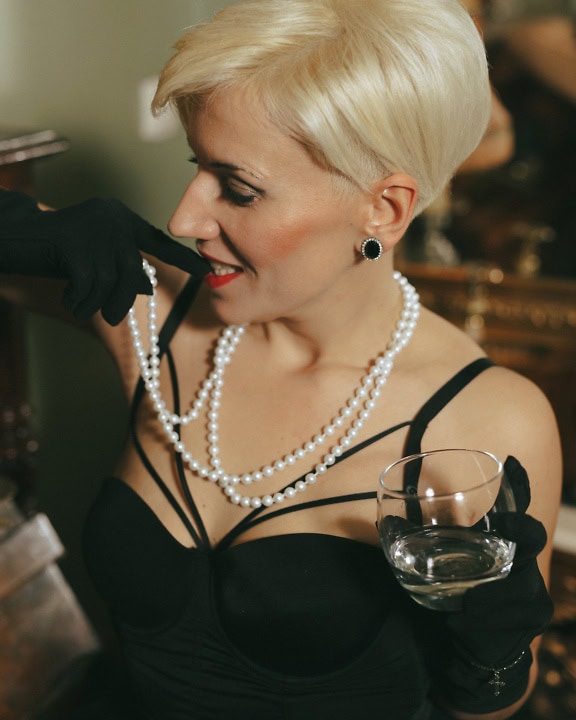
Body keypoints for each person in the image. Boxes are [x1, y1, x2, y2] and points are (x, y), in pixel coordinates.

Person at [0, 1, 562, 718]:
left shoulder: (486, 419)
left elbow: (487, 708)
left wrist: (496, 652)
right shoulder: (148, 311)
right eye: (196, 166)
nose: (184, 218)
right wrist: (23, 233)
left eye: (238, 188)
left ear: (385, 211)